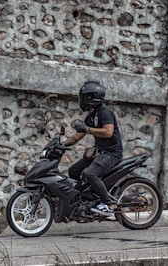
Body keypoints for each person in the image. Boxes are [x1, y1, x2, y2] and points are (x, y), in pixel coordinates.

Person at [63, 81, 123, 217]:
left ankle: (109, 205)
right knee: (73, 170)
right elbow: (77, 137)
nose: (82, 100)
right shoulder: (91, 116)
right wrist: (61, 145)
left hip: (112, 154)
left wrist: (88, 129)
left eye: (84, 97)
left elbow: (108, 132)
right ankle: (84, 200)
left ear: (92, 97)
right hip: (100, 153)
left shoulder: (104, 112)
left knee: (91, 174)